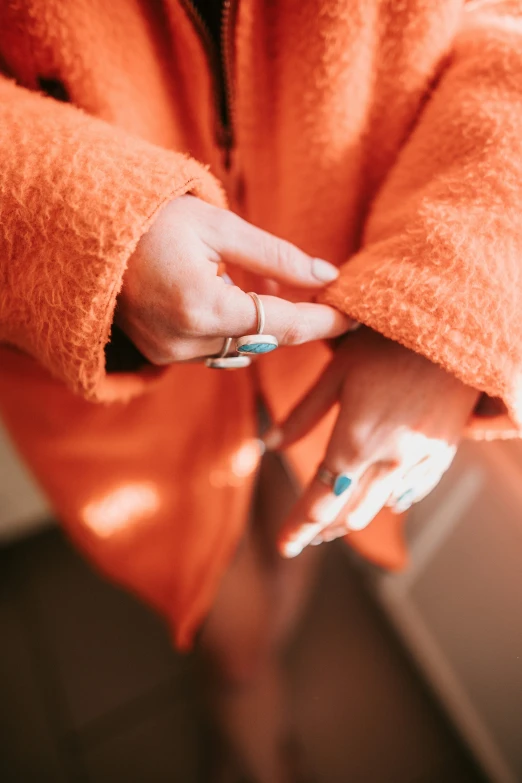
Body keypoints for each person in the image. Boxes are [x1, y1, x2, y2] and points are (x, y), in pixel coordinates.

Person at [0, 1, 521, 780]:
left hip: (354, 295)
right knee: (233, 625)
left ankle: (248, 676)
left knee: (291, 541)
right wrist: (81, 222)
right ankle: (237, 694)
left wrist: (453, 302)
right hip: (100, 351)